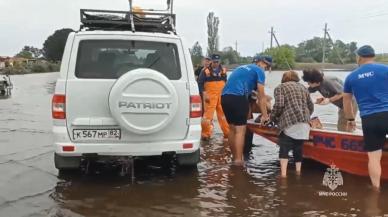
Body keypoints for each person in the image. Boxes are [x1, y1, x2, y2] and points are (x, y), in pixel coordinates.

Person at [343, 45, 388, 190]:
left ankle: (376, 189)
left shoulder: (351, 77)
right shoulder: (385, 70)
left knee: (374, 158)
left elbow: (347, 101)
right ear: (373, 56)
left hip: (369, 118)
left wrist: (350, 119)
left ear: (359, 57)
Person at [221, 55, 272, 165]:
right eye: (266, 66)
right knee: (240, 131)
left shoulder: (242, 68)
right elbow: (261, 96)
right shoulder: (259, 71)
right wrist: (265, 115)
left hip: (224, 97)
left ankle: (234, 157)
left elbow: (251, 90)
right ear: (262, 63)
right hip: (238, 98)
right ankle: (239, 161)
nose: (266, 69)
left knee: (232, 129)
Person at [270, 71, 314, 178]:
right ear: (296, 78)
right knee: (298, 148)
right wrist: (306, 117)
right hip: (304, 123)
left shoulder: (280, 87)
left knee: (284, 148)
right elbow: (311, 105)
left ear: (284, 78)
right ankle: (298, 172)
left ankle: (283, 175)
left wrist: (272, 117)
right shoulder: (303, 88)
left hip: (289, 122)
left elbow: (279, 105)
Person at [198, 54, 229, 141]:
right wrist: (204, 94)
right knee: (207, 117)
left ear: (219, 61)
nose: (216, 63)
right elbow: (200, 84)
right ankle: (205, 134)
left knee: (224, 116)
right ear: (211, 61)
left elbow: (225, 83)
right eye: (214, 62)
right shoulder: (205, 71)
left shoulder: (223, 71)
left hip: (221, 96)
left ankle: (227, 133)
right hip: (209, 97)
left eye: (217, 61)